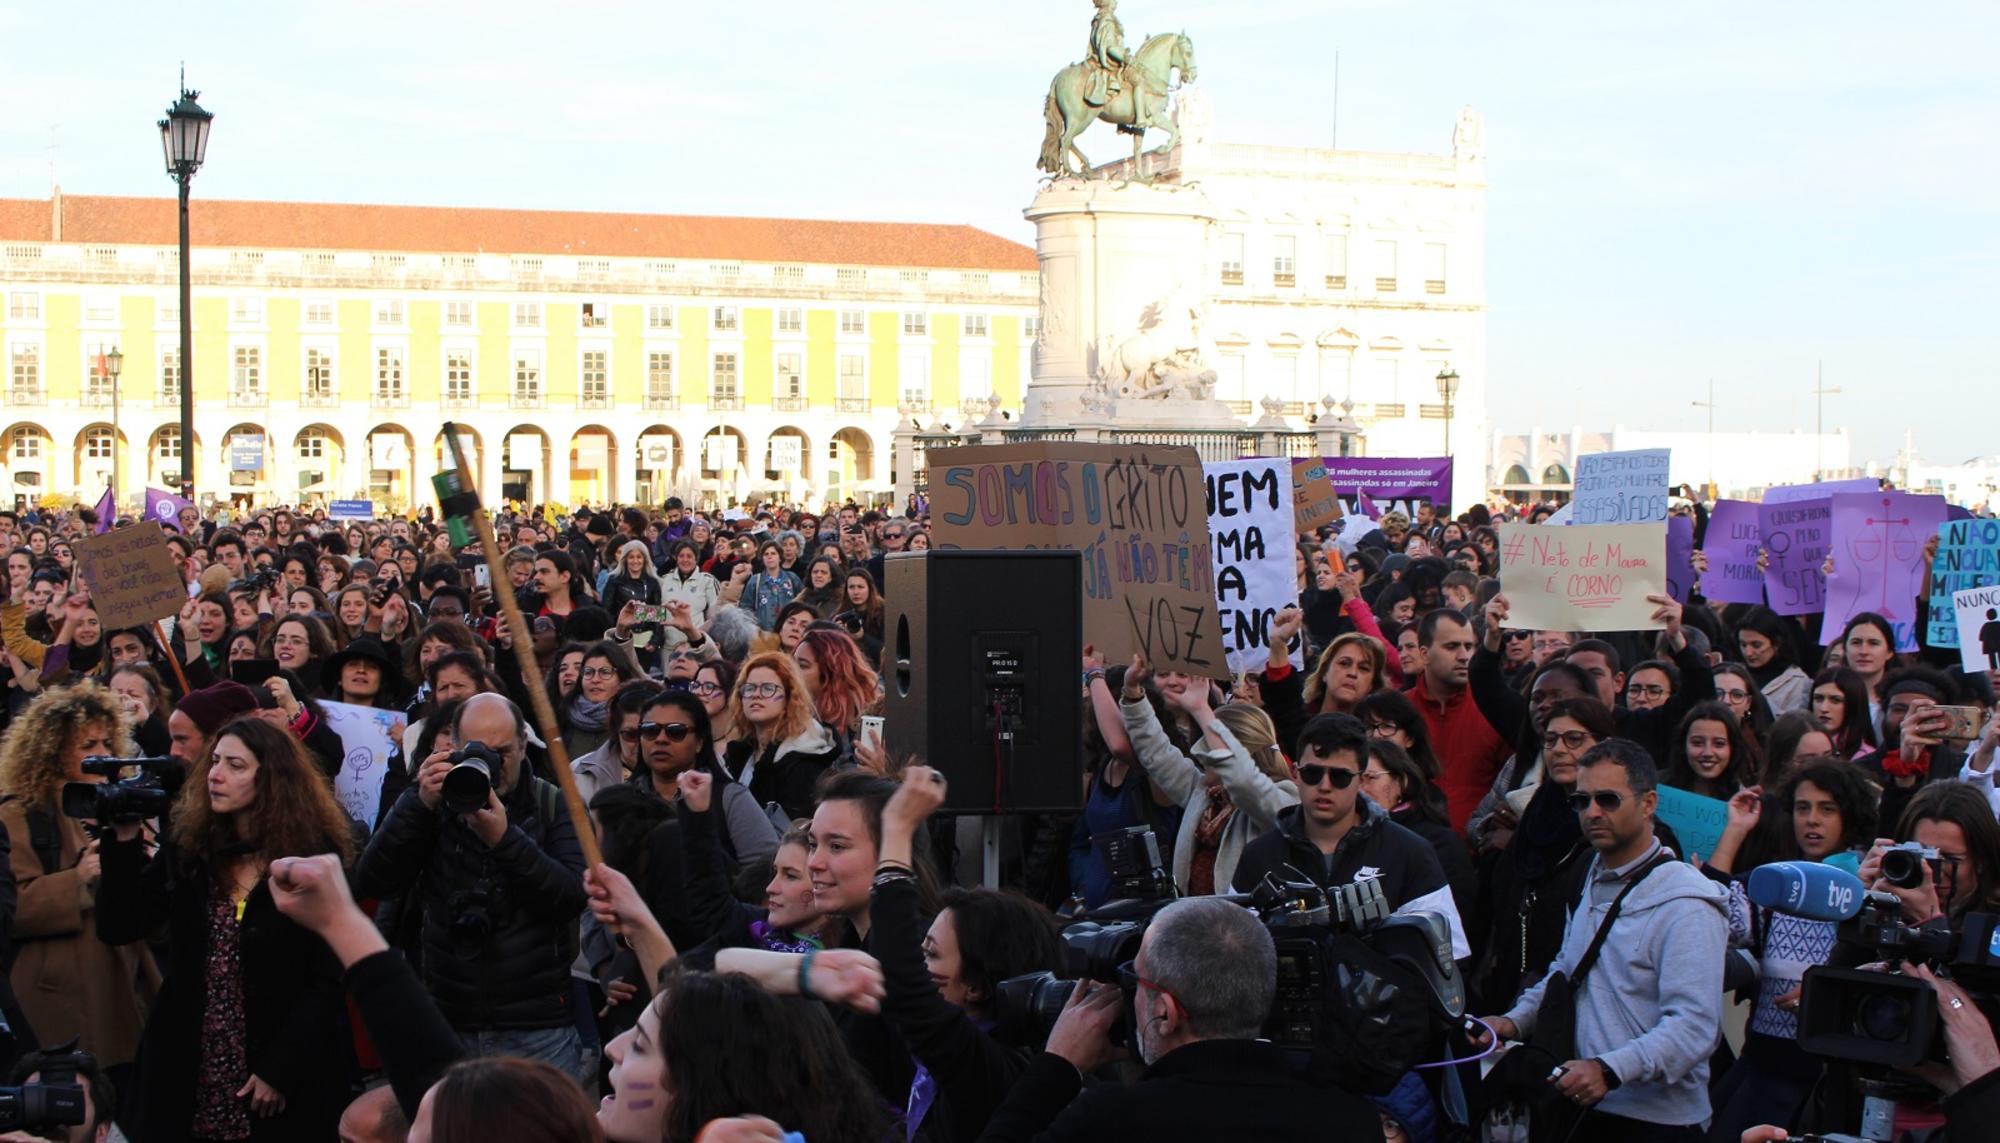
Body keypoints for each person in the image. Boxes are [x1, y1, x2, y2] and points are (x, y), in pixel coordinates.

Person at [95, 716, 355, 1141]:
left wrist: (281, 1068)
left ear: (271, 778)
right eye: (214, 761)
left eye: (236, 765)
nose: (215, 774)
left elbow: (328, 977)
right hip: (190, 1065)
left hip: (281, 1072)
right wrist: (122, 844)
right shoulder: (191, 849)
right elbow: (121, 925)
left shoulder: (312, 857)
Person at [1474, 739, 1730, 1143]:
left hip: (1658, 1123)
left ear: (1648, 804)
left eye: (1608, 799)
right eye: (1581, 800)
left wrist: (1610, 1069)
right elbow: (1567, 969)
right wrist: (1513, 1021)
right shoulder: (1589, 874)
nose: (1592, 812)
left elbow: (1695, 1027)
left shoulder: (1687, 903)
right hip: (1583, 1109)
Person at [973, 895, 1383, 1142]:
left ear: (1165, 1013)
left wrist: (1057, 1066)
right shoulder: (1350, 1121)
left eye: (1134, 981)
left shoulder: (1114, 1120)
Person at [353, 693, 592, 1086]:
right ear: (454, 748)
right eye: (478, 751)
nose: (492, 764)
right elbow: (375, 879)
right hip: (446, 1018)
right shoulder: (434, 802)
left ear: (522, 746)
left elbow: (568, 897)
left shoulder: (551, 802)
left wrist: (505, 840)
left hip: (536, 1025)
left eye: (502, 752)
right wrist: (417, 803)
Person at [1701, 761, 1877, 1142]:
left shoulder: (1868, 891)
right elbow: (1707, 920)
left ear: (1849, 815)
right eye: (1802, 808)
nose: (1812, 820)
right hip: (1762, 1072)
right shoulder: (1773, 886)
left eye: (1826, 809)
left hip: (1827, 1086)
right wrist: (1735, 830)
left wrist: (1825, 994)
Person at [0, 685, 154, 1083]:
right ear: (51, 750)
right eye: (88, 744)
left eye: (107, 741)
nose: (102, 753)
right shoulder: (22, 814)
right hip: (61, 999)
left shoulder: (121, 804)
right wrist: (76, 881)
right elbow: (11, 907)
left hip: (122, 986)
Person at [1231, 714, 1470, 960]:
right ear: (1295, 774)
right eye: (1312, 773)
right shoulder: (1258, 855)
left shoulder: (1409, 852)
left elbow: (1450, 957)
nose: (1324, 786)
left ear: (1361, 779)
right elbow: (1232, 956)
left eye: (1340, 776)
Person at [1120, 655, 1297, 895]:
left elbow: (1243, 782)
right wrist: (1132, 692)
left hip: (1244, 927)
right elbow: (1157, 753)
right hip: (1197, 922)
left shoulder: (1283, 798)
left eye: (1211, 745)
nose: (1204, 755)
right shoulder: (1205, 793)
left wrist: (1202, 711)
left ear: (1242, 753)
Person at [1409, 608, 1510, 833]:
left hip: (1478, 852)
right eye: (1452, 646)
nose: (1464, 656)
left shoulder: (1495, 709)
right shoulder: (1400, 711)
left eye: (1469, 646)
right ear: (1424, 654)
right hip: (1409, 852)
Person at [725, 651, 841, 822]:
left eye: (768, 688)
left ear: (789, 697)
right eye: (749, 688)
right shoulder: (740, 754)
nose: (756, 694)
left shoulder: (805, 762)